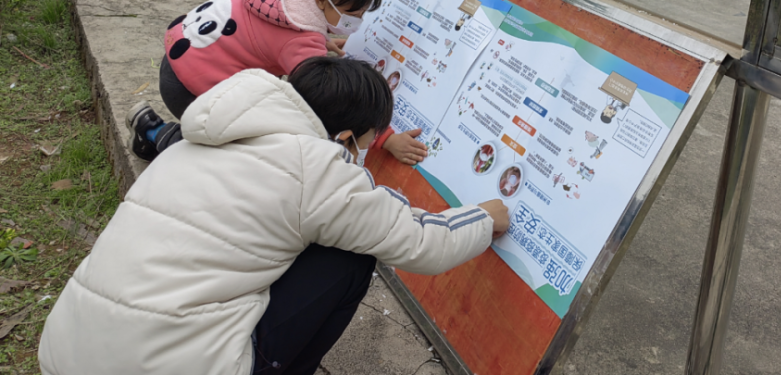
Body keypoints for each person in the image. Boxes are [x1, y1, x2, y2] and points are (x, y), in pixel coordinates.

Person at [39, 56, 509, 375]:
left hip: (65, 351)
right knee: (349, 259)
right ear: (344, 137)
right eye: (365, 144)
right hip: (168, 366)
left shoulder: (196, 140)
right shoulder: (317, 168)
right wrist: (487, 218)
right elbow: (421, 243)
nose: (362, 154)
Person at [127, 0, 427, 167]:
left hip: (184, 55)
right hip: (191, 89)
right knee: (247, 154)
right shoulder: (300, 39)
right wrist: (386, 138)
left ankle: (156, 130)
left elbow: (267, 34)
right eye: (352, 14)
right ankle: (155, 133)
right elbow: (327, 98)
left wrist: (321, 40)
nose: (357, 22)